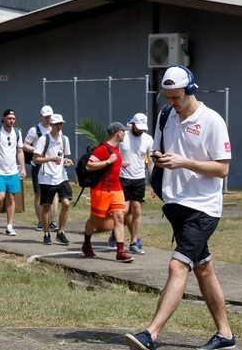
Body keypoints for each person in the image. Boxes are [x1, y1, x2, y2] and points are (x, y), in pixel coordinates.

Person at [124, 66, 235, 350]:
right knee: (203, 268)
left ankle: (150, 334)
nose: (172, 102)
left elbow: (222, 168)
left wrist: (185, 162)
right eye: (168, 96)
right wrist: (160, 161)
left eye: (177, 96)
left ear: (191, 90)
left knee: (178, 266)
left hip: (203, 208)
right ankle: (225, 334)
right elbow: (159, 154)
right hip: (176, 204)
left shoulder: (212, 120)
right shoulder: (165, 115)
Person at [80, 122, 134, 263]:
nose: (125, 134)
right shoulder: (102, 149)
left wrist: (117, 163)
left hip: (116, 189)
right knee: (95, 220)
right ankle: (86, 244)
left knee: (119, 217)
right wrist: (108, 161)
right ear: (118, 133)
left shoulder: (116, 149)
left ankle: (120, 252)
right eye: (123, 131)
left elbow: (113, 165)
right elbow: (89, 165)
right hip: (101, 190)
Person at [111, 113, 154, 254]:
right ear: (133, 124)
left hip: (139, 179)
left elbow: (150, 162)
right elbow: (113, 152)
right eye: (138, 127)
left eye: (143, 128)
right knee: (124, 211)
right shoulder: (123, 136)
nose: (140, 130)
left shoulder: (148, 139)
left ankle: (134, 242)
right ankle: (116, 232)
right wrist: (120, 161)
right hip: (123, 178)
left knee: (137, 210)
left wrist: (152, 183)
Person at [32, 114, 73, 245]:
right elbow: (36, 159)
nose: (59, 126)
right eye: (57, 124)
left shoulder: (65, 139)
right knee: (46, 207)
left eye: (61, 124)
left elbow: (65, 157)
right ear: (51, 125)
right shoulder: (44, 139)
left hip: (61, 176)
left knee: (66, 203)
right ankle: (46, 233)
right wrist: (50, 158)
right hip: (47, 178)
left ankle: (61, 232)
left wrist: (66, 161)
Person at [0, 109, 26, 236]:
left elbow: (20, 151)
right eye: (9, 118)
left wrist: (23, 168)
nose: (12, 120)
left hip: (13, 170)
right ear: (3, 118)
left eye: (13, 118)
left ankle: (9, 225)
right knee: (0, 196)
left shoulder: (17, 133)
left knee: (11, 197)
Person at [23, 105, 55, 231]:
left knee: (53, 192)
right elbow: (25, 145)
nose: (48, 119)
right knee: (39, 193)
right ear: (41, 117)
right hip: (39, 164)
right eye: (46, 117)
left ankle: (52, 220)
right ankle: (41, 221)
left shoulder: (55, 128)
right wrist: (36, 150)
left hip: (52, 165)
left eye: (49, 117)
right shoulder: (34, 130)